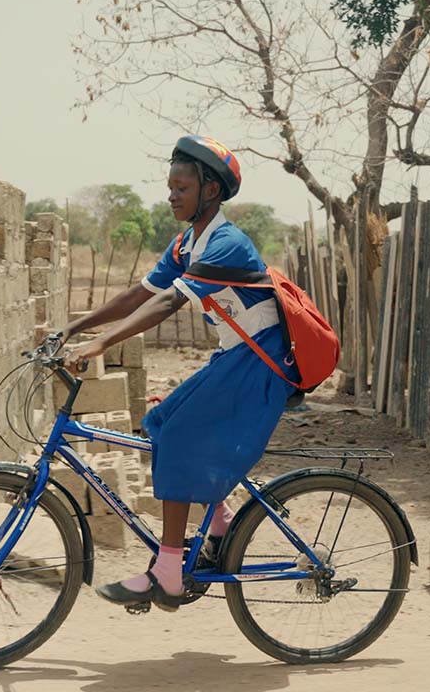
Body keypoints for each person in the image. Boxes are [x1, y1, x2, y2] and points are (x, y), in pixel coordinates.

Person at [57, 135, 297, 611]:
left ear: (210, 190)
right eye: (169, 187)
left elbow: (167, 303)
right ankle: (222, 521)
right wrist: (75, 325)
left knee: (184, 434)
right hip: (239, 357)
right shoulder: (188, 241)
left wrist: (101, 343)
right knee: (161, 422)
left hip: (261, 361)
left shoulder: (225, 244)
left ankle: (167, 572)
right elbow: (142, 292)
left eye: (180, 187)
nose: (171, 196)